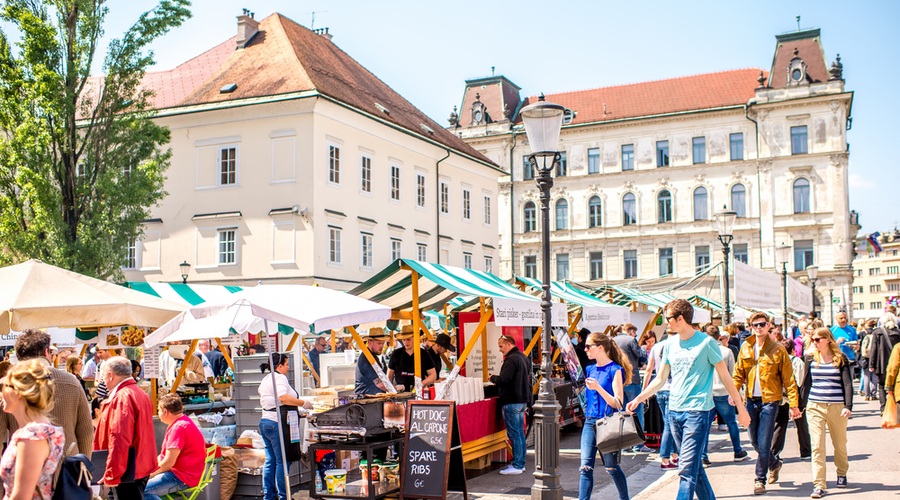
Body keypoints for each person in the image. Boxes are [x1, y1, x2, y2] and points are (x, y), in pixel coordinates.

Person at [627, 299, 750, 500]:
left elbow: (726, 378)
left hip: (698, 412)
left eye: (668, 319)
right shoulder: (668, 345)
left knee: (685, 468)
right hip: (674, 412)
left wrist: (741, 408)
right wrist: (640, 398)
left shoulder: (707, 342)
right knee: (693, 467)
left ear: (680, 319)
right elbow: (660, 378)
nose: (666, 323)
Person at [731, 313, 801, 494]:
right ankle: (775, 463)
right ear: (750, 327)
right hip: (750, 402)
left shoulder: (778, 349)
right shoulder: (746, 347)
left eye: (762, 324)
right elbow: (738, 373)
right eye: (755, 325)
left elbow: (789, 379)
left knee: (763, 442)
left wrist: (794, 404)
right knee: (754, 441)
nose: (759, 327)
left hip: (770, 401)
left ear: (768, 325)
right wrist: (733, 392)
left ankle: (759, 480)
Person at [4, 330, 93, 458]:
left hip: (23, 461)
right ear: (47, 352)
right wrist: (82, 470)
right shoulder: (71, 381)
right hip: (68, 468)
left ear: (18, 356)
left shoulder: (9, 385)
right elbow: (86, 432)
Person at [0, 359, 66, 500]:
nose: (1, 392)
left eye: (4, 386)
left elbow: (21, 496)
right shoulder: (37, 431)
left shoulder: (32, 436)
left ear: (17, 392)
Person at [800, 328, 853, 498]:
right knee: (817, 446)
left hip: (837, 406)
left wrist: (848, 406)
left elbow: (847, 383)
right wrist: (799, 405)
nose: (814, 342)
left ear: (828, 340)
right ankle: (819, 484)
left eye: (818, 339)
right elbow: (806, 383)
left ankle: (842, 472)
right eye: (813, 339)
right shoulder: (810, 358)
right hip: (815, 406)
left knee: (839, 444)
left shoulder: (840, 358)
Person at [94, 357, 157, 499]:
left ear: (110, 375)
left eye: (103, 376)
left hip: (126, 470)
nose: (103, 381)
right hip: (137, 465)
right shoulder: (138, 392)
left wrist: (112, 473)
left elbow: (119, 437)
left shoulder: (123, 396)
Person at [579, 332, 631, 500]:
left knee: (611, 467)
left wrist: (599, 389)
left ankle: (625, 498)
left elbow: (618, 403)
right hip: (589, 422)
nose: (585, 349)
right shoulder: (589, 369)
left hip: (607, 423)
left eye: (588, 346)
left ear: (600, 348)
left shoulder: (615, 370)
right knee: (585, 467)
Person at [258, 353, 313, 500]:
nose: (288, 368)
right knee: (283, 460)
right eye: (287, 364)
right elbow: (282, 397)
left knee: (270, 460)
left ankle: (269, 495)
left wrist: (297, 410)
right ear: (279, 366)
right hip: (277, 423)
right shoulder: (279, 378)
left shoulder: (266, 379)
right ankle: (284, 496)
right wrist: (303, 403)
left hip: (265, 422)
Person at [145, 394, 207, 500]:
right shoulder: (181, 422)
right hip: (182, 474)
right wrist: (148, 469)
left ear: (165, 411)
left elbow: (169, 462)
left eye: (159, 410)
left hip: (181, 476)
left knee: (140, 491)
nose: (158, 414)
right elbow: (164, 457)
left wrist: (150, 475)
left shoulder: (178, 428)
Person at [701, 325, 747, 466]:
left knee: (705, 426)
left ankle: (703, 455)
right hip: (724, 391)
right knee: (731, 423)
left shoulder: (702, 351)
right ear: (719, 336)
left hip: (708, 392)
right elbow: (733, 374)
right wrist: (737, 395)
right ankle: (737, 451)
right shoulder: (727, 352)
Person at [489, 334, 532, 475]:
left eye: (501, 346)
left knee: (514, 433)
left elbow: (505, 379)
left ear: (508, 344)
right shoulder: (523, 357)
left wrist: (493, 378)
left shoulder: (511, 359)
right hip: (521, 400)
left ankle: (518, 465)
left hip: (511, 400)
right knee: (519, 433)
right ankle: (521, 463)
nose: (500, 349)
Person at [642, 329, 679, 469]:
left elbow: (648, 369)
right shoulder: (678, 345)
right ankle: (664, 458)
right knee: (670, 425)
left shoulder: (656, 347)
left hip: (660, 389)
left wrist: (645, 390)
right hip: (672, 389)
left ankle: (674, 455)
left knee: (669, 423)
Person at [613, 323, 648, 453]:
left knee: (622, 413)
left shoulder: (612, 341)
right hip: (632, 379)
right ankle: (638, 444)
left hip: (617, 381)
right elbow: (642, 356)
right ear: (631, 332)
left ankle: (625, 444)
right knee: (637, 412)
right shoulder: (630, 340)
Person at [387, 326, 436, 392]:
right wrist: (391, 389)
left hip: (417, 391)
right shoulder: (396, 353)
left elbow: (433, 375)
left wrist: (421, 384)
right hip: (400, 392)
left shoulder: (423, 353)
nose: (406, 342)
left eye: (408, 339)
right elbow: (389, 375)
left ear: (415, 338)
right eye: (404, 340)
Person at [868, 313, 900, 413]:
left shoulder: (877, 332)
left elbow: (873, 349)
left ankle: (883, 408)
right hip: (896, 363)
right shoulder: (898, 332)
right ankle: (894, 408)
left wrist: (871, 364)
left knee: (881, 386)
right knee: (894, 386)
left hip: (881, 363)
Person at [354, 328, 390, 396]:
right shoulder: (366, 358)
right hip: (365, 401)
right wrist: (394, 390)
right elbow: (379, 384)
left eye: (383, 343)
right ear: (370, 342)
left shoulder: (373, 356)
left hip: (372, 399)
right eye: (379, 343)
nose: (381, 346)